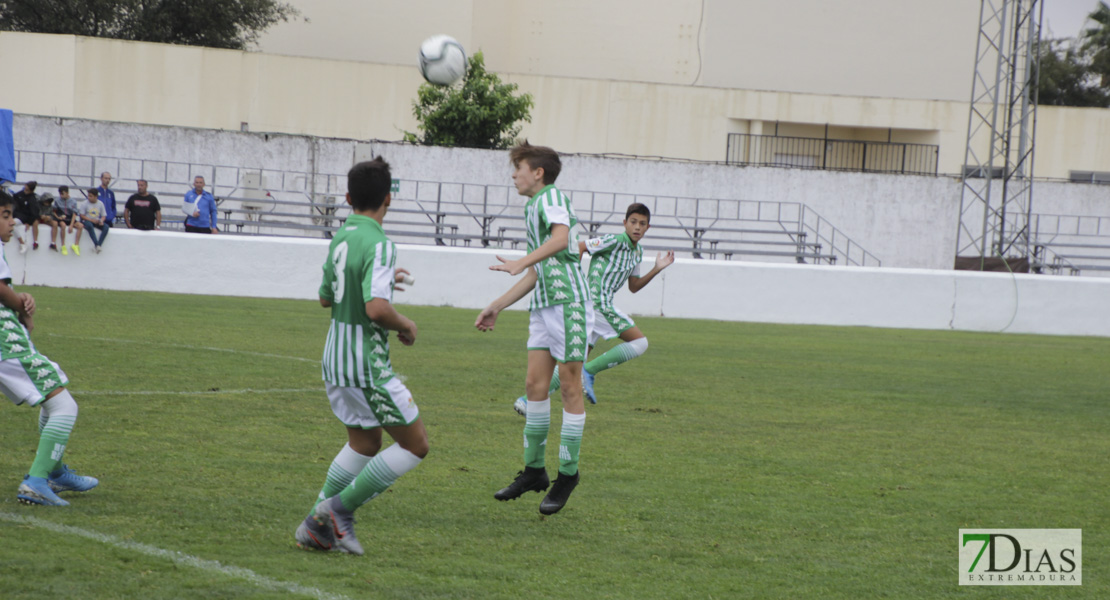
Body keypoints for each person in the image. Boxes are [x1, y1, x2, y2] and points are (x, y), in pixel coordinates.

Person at [294, 157, 427, 556]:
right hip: (365, 364)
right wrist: (405, 324)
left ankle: (314, 526)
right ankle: (337, 511)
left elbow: (324, 297)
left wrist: (381, 278)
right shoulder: (380, 243)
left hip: (335, 357)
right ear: (389, 199)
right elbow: (376, 310)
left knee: (366, 442)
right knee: (415, 445)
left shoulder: (342, 236)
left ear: (348, 198)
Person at [475, 141, 593, 516]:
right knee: (534, 387)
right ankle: (534, 470)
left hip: (569, 305)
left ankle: (568, 474)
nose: (514, 175)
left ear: (537, 173)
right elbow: (535, 272)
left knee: (570, 388)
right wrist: (497, 305)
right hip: (544, 308)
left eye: (519, 167)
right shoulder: (533, 207)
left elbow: (560, 239)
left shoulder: (550, 198)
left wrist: (520, 261)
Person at [512, 203, 675, 415]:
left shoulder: (637, 252)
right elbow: (580, 246)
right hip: (596, 303)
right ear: (624, 223)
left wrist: (656, 269)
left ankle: (526, 401)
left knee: (572, 366)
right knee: (640, 342)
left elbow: (633, 286)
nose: (637, 227)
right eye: (633, 222)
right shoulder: (613, 240)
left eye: (642, 224)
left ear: (648, 228)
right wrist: (575, 281)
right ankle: (589, 372)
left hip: (595, 308)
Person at [0, 188, 99, 506]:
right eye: (4, 215)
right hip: (6, 344)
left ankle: (54, 472)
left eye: (11, 214)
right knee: (64, 405)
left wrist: (18, 305)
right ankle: (37, 480)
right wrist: (22, 305)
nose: (12, 221)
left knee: (50, 400)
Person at [52, 186, 82, 256]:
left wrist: (71, 225)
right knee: (63, 226)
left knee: (80, 226)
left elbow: (74, 214)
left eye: (63, 194)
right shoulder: (57, 200)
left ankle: (76, 245)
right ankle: (63, 245)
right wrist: (58, 217)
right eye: (60, 194)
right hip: (61, 218)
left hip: (69, 218)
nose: (61, 196)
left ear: (67, 193)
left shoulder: (73, 201)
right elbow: (54, 211)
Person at [12, 181, 40, 253]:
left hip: (23, 217)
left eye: (27, 190)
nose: (25, 191)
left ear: (31, 190)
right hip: (15, 214)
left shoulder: (33, 199)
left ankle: (22, 243)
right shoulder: (19, 195)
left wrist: (29, 222)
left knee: (12, 224)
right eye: (25, 188)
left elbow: (34, 213)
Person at [79, 189, 110, 253]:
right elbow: (82, 215)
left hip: (96, 220)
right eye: (89, 196)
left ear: (96, 196)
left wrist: (101, 221)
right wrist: (91, 220)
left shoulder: (100, 203)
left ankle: (99, 244)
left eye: (91, 196)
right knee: (90, 226)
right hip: (87, 220)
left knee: (106, 227)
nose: (89, 197)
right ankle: (96, 244)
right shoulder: (84, 203)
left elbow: (104, 215)